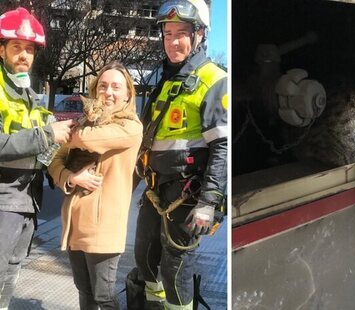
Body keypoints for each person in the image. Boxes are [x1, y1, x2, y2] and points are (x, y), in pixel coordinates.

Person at [133, 0, 227, 308]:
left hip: (187, 192)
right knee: (144, 254)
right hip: (156, 187)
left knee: (175, 266)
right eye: (168, 33)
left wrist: (209, 203)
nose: (172, 41)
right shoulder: (166, 79)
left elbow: (221, 147)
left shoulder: (213, 79)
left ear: (198, 35)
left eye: (181, 33)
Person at [48, 61, 143, 309]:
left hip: (104, 227)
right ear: (95, 91)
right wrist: (71, 177)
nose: (108, 92)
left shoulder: (130, 126)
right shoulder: (84, 120)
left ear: (127, 94)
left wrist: (65, 133)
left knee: (104, 296)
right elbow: (54, 161)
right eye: (102, 86)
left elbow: (89, 138)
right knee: (84, 291)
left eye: (115, 87)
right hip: (74, 223)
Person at [0, 7, 75, 309]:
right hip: (3, 200)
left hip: (27, 200)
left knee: (11, 273)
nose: (24, 55)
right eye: (16, 47)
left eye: (29, 49)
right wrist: (47, 135)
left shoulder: (30, 95)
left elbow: (42, 153)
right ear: (1, 49)